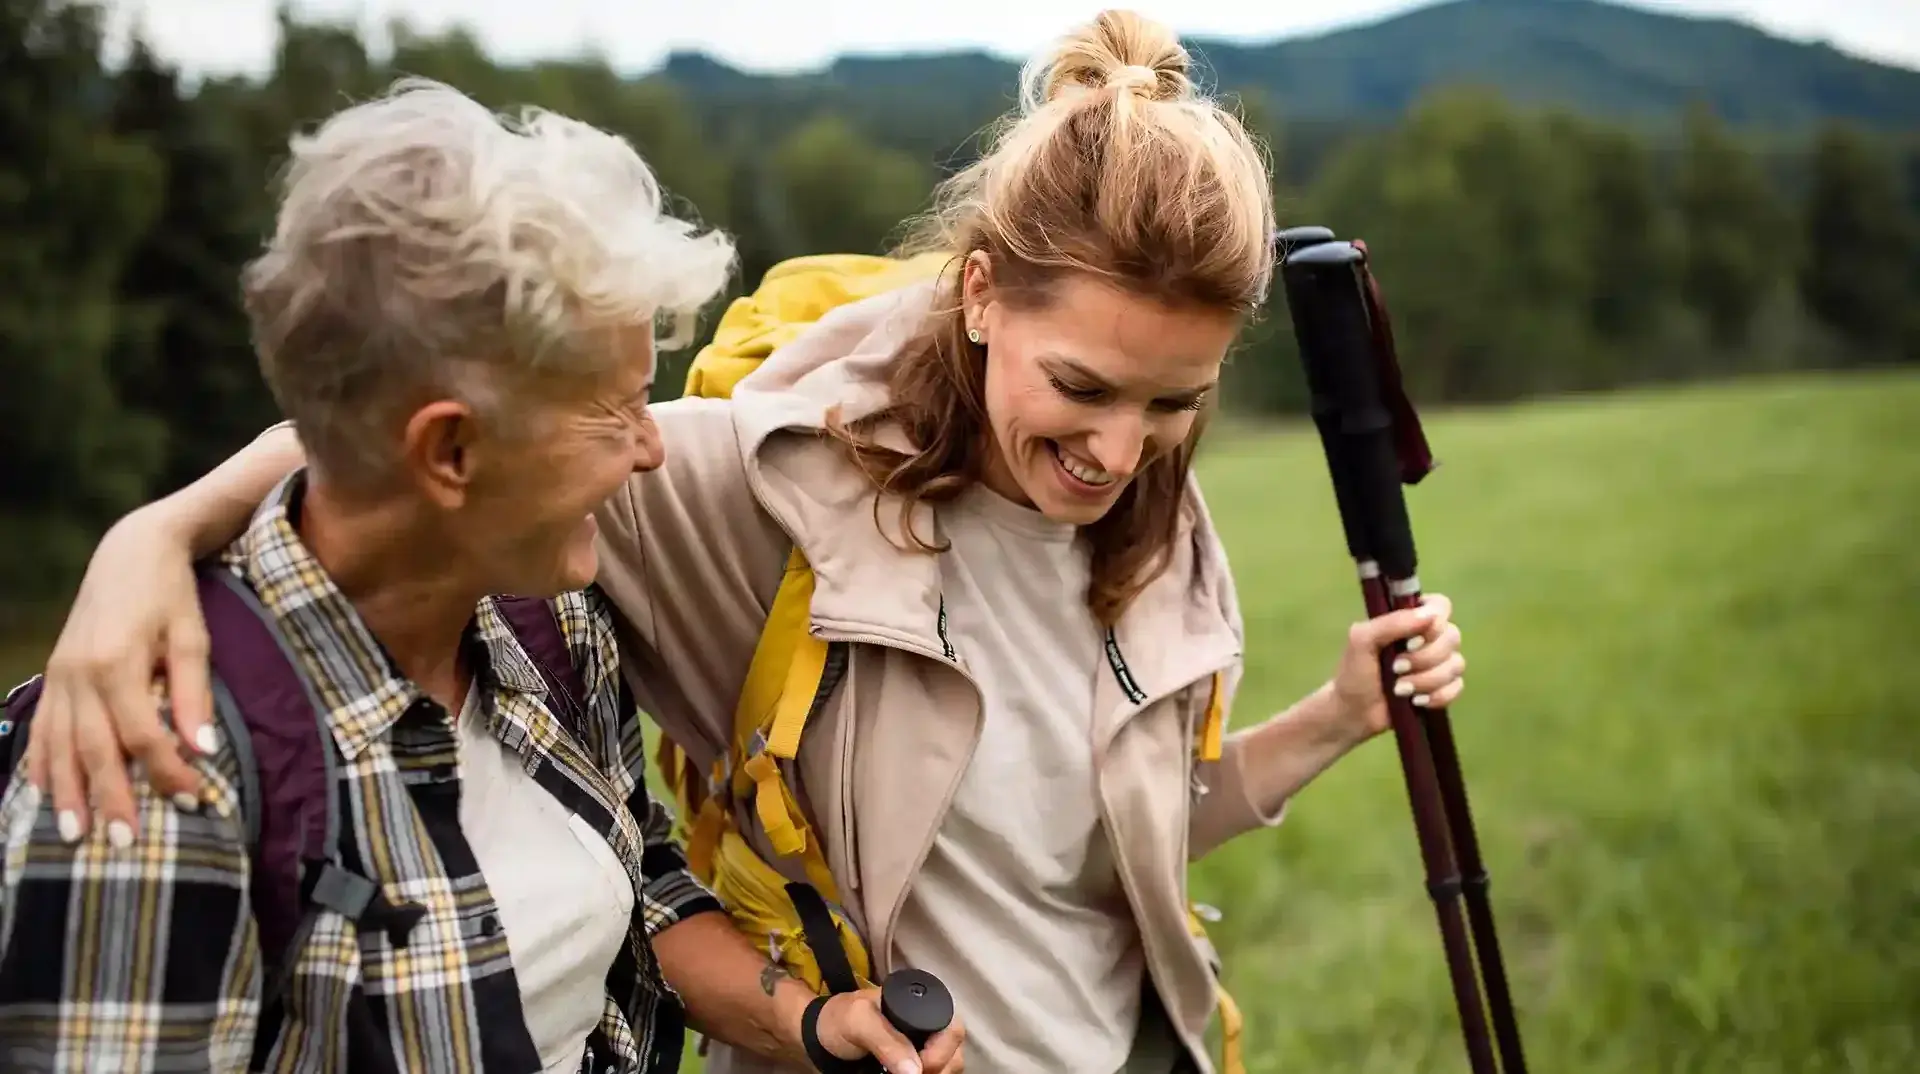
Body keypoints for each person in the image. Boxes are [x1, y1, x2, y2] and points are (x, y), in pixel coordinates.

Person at [19, 12, 1469, 1074]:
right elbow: (394, 429)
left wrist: (1340, 714)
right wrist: (152, 535)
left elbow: (1102, 843)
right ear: (978, 296)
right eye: (1084, 386)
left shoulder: (1151, 520)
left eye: (1176, 400)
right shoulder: (735, 486)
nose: (1122, 443)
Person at [0, 80, 963, 1074]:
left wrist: (807, 1022)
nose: (651, 452)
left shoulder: (549, 622)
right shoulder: (152, 772)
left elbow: (639, 876)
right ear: (451, 453)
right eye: (617, 413)